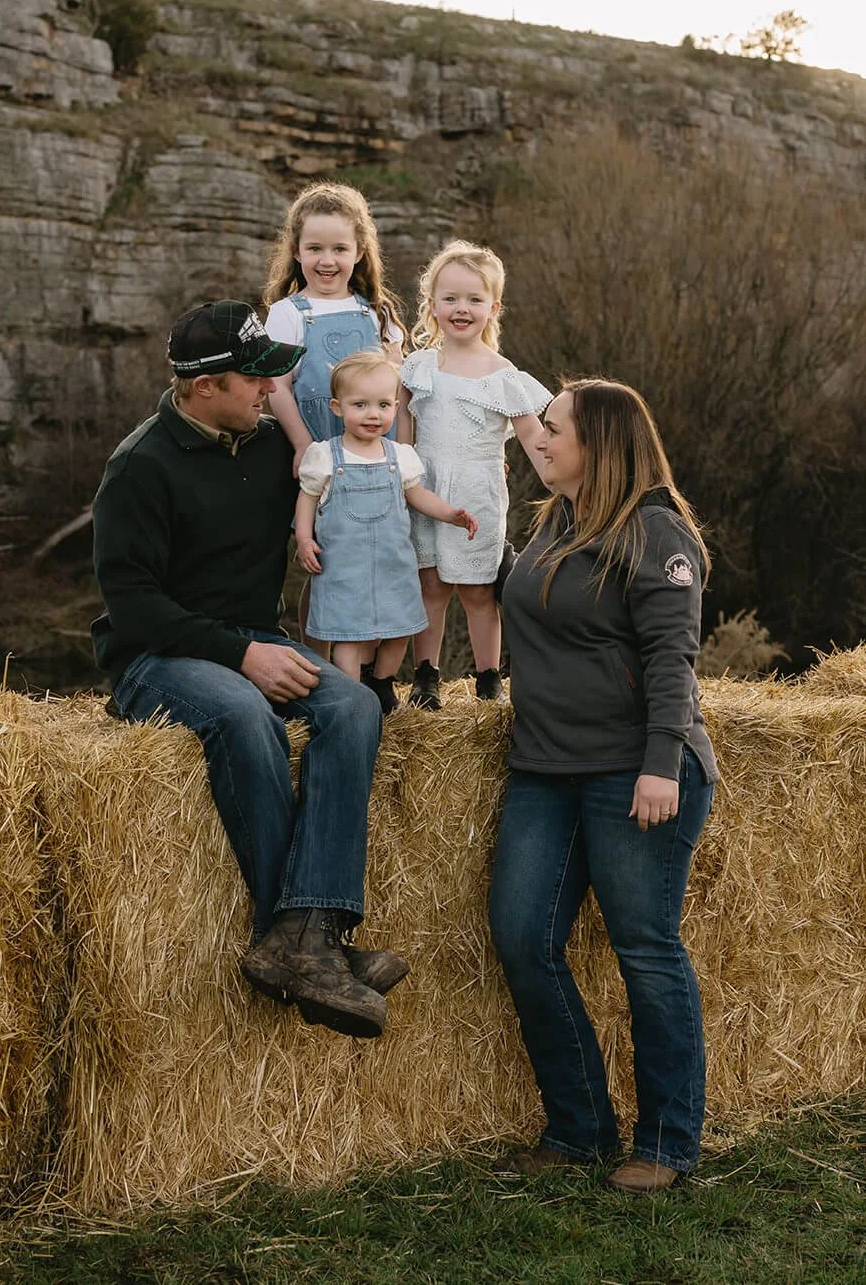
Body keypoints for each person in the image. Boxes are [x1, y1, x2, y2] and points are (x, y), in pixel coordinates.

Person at [91, 299, 409, 1041]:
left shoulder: (270, 451)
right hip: (156, 656)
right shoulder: (140, 467)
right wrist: (241, 654)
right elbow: (132, 606)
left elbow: (365, 470)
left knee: (355, 708)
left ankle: (303, 936)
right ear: (204, 388)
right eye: (254, 382)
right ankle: (303, 940)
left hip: (254, 638)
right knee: (242, 712)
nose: (270, 393)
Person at [489, 378, 718, 1192]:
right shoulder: (554, 521)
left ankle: (666, 1142)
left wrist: (661, 762)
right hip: (545, 771)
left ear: (601, 445)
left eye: (550, 429)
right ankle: (579, 1126)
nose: (537, 439)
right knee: (523, 938)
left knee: (646, 952)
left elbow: (671, 658)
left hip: (638, 773)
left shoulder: (656, 532)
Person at [398, 240, 549, 708]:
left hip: (478, 492)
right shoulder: (418, 366)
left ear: (493, 307)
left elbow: (534, 438)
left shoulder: (503, 374)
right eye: (450, 299)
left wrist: (568, 484)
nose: (461, 309)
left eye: (474, 299)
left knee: (478, 590)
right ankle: (426, 675)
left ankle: (488, 678)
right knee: (431, 586)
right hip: (425, 487)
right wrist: (404, 482)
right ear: (432, 306)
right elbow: (403, 436)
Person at [295, 352, 478, 715]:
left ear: (396, 406)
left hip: (393, 566)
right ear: (336, 407)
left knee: (401, 628)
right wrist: (304, 538)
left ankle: (381, 683)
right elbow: (307, 500)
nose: (373, 414)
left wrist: (450, 513)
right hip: (344, 571)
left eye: (382, 405)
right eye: (359, 405)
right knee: (347, 639)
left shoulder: (400, 455)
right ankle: (352, 701)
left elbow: (418, 496)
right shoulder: (325, 457)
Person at [263, 181, 407, 471]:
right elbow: (277, 387)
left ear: (358, 252)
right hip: (320, 456)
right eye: (315, 248)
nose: (327, 260)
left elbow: (401, 394)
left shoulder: (378, 313)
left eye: (340, 249)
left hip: (381, 458)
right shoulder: (286, 314)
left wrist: (406, 452)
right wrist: (302, 445)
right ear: (296, 251)